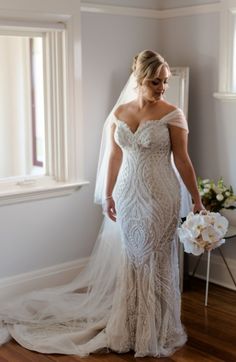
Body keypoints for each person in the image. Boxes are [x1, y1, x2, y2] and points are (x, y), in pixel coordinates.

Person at [0, 50, 204, 358]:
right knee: (132, 259)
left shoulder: (172, 113)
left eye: (165, 81)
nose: (162, 87)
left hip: (161, 195)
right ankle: (130, 324)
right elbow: (115, 156)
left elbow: (183, 159)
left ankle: (157, 328)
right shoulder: (120, 113)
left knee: (154, 258)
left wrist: (198, 200)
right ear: (139, 79)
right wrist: (108, 194)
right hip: (127, 194)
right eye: (154, 81)